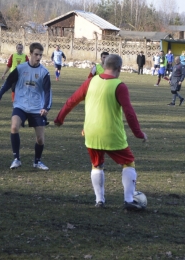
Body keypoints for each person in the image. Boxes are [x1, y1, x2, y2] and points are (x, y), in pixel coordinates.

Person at [54, 54, 147, 210]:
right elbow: (129, 113)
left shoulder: (90, 82)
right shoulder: (119, 86)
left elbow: (71, 101)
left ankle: (99, 200)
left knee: (97, 165)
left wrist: (59, 119)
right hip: (111, 134)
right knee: (128, 161)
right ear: (119, 68)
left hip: (91, 133)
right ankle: (129, 200)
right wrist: (139, 133)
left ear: (104, 66)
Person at [0, 42, 52, 170]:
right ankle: (16, 159)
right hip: (20, 105)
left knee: (40, 139)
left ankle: (37, 162)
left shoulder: (44, 72)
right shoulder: (20, 69)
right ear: (30, 54)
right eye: (36, 54)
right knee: (14, 127)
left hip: (37, 108)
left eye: (40, 55)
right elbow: (8, 82)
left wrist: (46, 108)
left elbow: (48, 92)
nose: (38, 57)